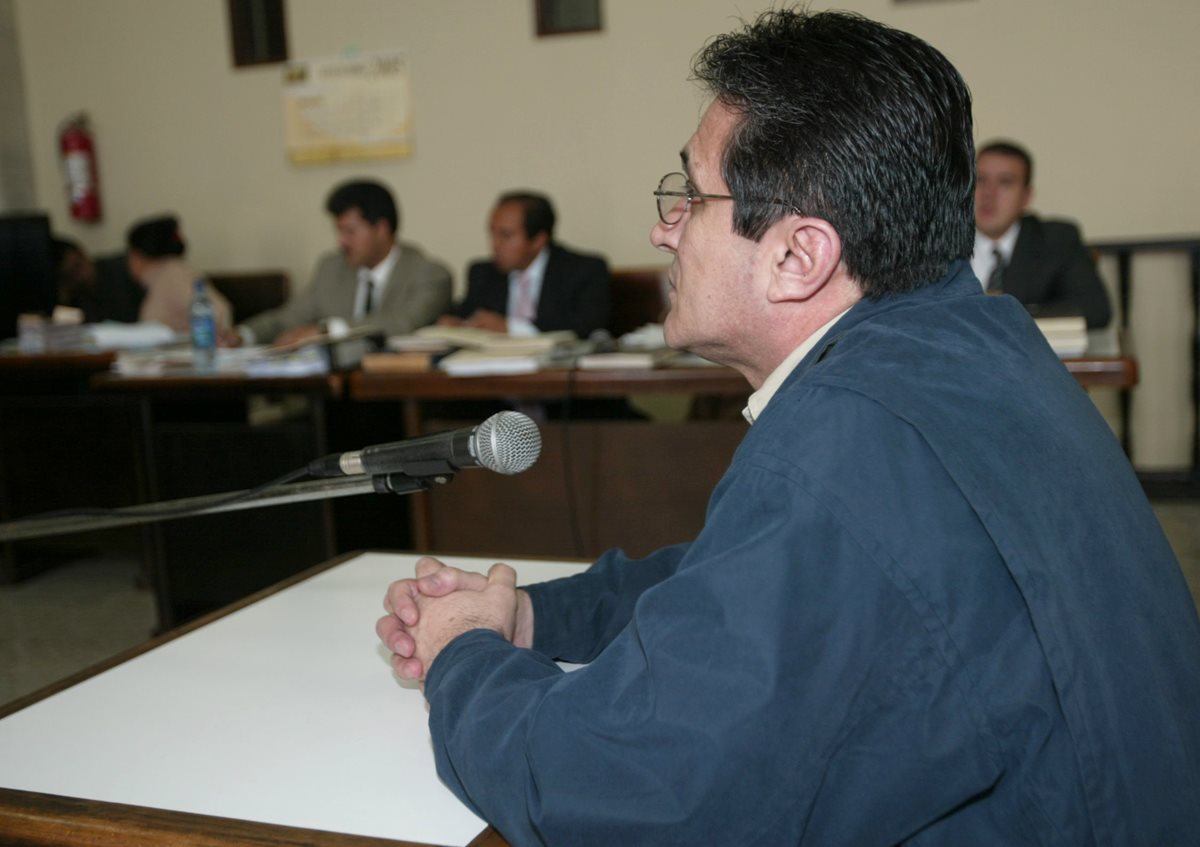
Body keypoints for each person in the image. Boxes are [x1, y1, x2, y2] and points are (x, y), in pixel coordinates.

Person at [376, 9, 1200, 845]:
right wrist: (535, 620)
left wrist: (464, 656)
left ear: (798, 256)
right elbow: (734, 584)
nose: (662, 228)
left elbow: (615, 793)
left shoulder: (846, 444)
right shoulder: (969, 339)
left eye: (690, 195)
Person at [231, 180, 451, 346]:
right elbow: (288, 318)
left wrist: (329, 330)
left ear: (381, 229)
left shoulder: (429, 274)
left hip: (397, 394)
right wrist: (243, 334)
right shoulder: (331, 268)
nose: (341, 241)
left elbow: (402, 323)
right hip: (333, 396)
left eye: (350, 231)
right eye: (338, 230)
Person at [973, 140, 1112, 328]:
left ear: (1026, 197)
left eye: (1005, 182)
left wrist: (1006, 318)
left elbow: (1095, 310)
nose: (989, 193)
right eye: (980, 180)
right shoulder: (938, 243)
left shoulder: (1057, 241)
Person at [438, 191, 610, 339]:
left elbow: (587, 330)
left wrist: (512, 329)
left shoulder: (583, 271)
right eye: (492, 233)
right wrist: (455, 324)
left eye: (505, 235)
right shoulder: (483, 274)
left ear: (538, 240)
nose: (494, 244)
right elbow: (466, 316)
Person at [125, 215, 231, 333]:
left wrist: (189, 339)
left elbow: (218, 312)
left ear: (138, 255)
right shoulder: (166, 274)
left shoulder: (172, 274)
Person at [50, 237, 144, 323]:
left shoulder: (125, 269)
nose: (80, 275)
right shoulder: (75, 294)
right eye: (70, 275)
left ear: (82, 254)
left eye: (78, 266)